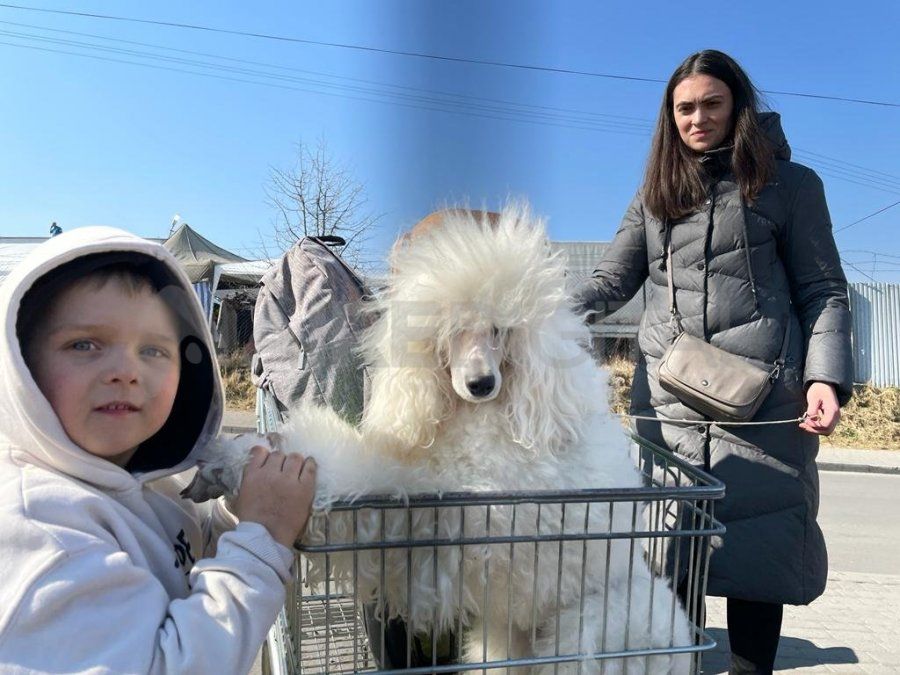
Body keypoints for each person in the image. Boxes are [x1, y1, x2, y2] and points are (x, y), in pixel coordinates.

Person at [575, 50, 852, 674]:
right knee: (672, 563)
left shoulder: (792, 185)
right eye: (684, 108)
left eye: (711, 104)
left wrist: (825, 377)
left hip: (763, 405)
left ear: (738, 107)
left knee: (758, 560)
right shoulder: (655, 194)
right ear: (669, 118)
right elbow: (612, 280)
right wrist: (535, 305)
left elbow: (823, 290)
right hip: (668, 406)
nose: (697, 118)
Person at [0, 226, 316, 673]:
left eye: (153, 350)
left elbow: (183, 555)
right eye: (85, 344)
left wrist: (240, 510)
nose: (127, 371)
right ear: (20, 366)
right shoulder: (44, 535)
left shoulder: (152, 479)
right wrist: (262, 538)